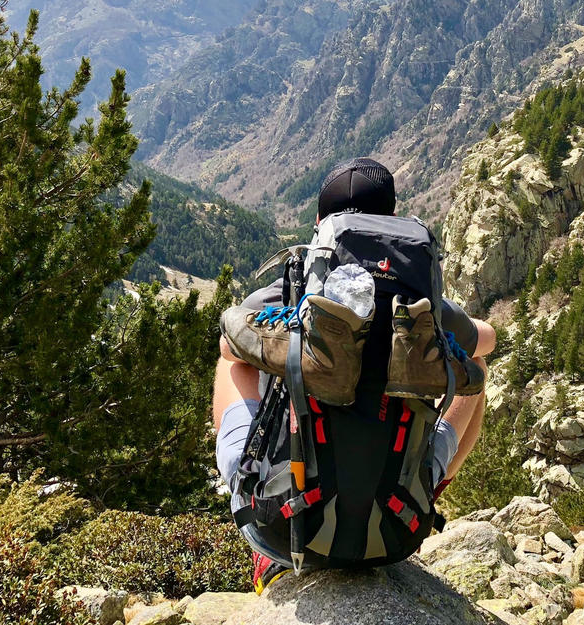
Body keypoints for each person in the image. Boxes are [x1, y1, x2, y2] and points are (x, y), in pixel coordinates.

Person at [212, 158, 496, 591]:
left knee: (233, 362)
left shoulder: (299, 281)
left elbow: (230, 343)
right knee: (474, 370)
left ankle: (262, 494)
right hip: (396, 532)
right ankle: (422, 492)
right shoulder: (417, 294)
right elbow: (488, 337)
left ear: (322, 223)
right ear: (393, 219)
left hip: (285, 530)